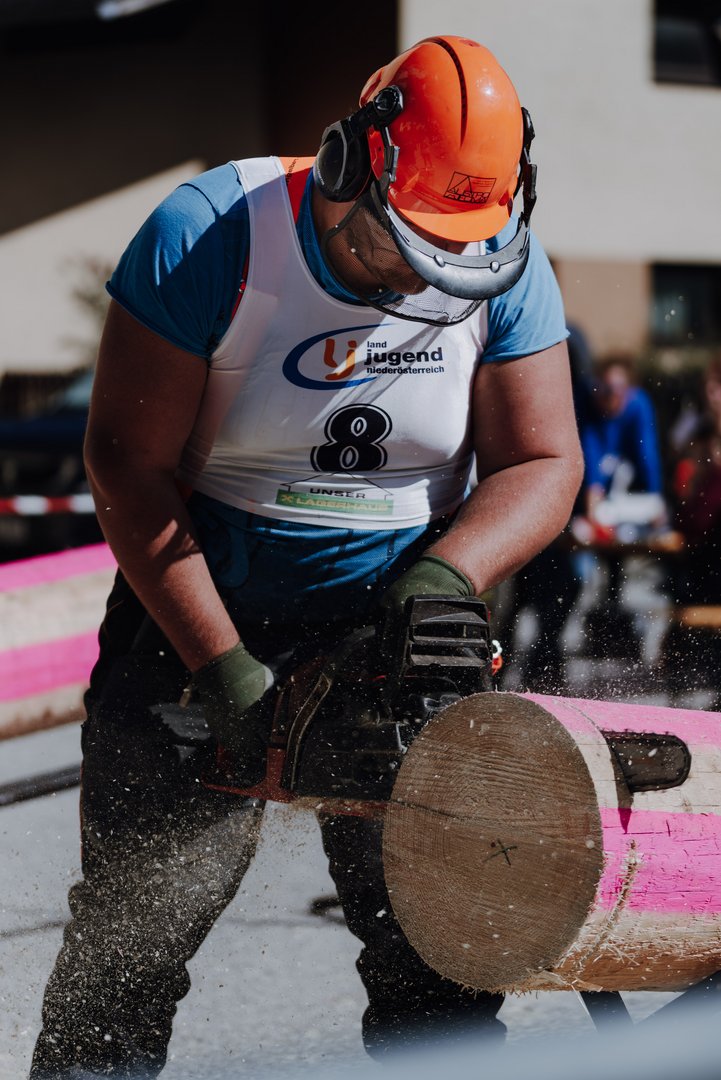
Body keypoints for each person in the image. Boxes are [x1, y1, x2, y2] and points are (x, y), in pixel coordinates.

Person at [30, 35, 583, 1078]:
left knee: (439, 963)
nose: (415, 282)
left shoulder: (500, 257)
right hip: (198, 607)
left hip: (399, 625)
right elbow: (127, 464)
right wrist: (220, 665)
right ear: (346, 166)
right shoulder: (213, 236)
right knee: (127, 957)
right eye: (396, 249)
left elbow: (542, 459)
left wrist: (446, 576)